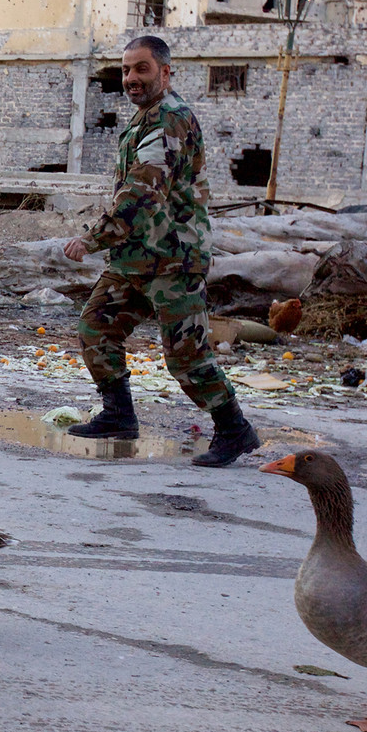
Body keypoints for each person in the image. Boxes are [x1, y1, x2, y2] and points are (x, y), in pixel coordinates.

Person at [63, 35, 259, 468]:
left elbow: (141, 193)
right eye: (126, 70)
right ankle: (118, 416)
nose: (131, 78)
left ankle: (234, 429)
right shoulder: (145, 118)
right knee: (96, 327)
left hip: (174, 260)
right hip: (135, 258)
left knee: (186, 354)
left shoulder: (170, 120)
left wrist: (92, 239)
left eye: (142, 69)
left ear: (165, 73)